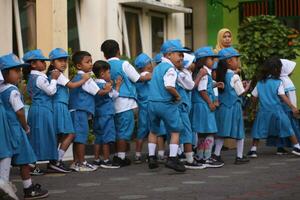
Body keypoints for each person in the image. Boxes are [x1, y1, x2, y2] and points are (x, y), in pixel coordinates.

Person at [0, 53, 48, 199]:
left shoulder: (1, 90)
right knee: (25, 159)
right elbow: (20, 112)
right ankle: (28, 188)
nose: (20, 74)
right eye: (16, 71)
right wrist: (26, 127)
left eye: (20, 70)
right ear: (4, 73)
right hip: (16, 129)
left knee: (7, 157)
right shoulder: (13, 91)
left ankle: (5, 182)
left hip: (6, 130)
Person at [100, 40, 151, 166]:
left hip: (111, 102)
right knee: (124, 131)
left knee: (118, 130)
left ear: (105, 55)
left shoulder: (104, 66)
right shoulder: (124, 64)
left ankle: (118, 155)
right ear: (118, 51)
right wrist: (151, 76)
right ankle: (121, 158)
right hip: (125, 102)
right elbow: (137, 78)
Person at [46, 48, 90, 173]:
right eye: (60, 60)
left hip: (57, 106)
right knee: (71, 133)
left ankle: (53, 161)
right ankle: (57, 160)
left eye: (65, 60)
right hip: (60, 106)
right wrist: (84, 79)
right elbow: (72, 85)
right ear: (52, 62)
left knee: (59, 135)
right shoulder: (57, 74)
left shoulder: (54, 73)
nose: (63, 63)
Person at [147, 39, 188, 172]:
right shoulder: (170, 69)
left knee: (153, 130)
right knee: (176, 131)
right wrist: (177, 96)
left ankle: (152, 157)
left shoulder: (157, 67)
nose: (181, 57)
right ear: (169, 54)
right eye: (179, 54)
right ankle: (172, 159)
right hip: (166, 104)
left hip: (152, 103)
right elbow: (169, 86)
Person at [248, 57, 300, 157]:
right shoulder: (278, 82)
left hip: (263, 111)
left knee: (258, 130)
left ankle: (253, 150)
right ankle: (297, 146)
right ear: (276, 69)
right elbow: (283, 96)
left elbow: (254, 98)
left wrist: (254, 108)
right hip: (277, 111)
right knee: (288, 128)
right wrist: (293, 107)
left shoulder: (260, 83)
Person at [69, 51, 111, 172]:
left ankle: (76, 162)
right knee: (81, 137)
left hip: (75, 109)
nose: (91, 64)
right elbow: (99, 92)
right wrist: (107, 89)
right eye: (87, 62)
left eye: (91, 61)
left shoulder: (77, 77)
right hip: (80, 110)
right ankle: (82, 162)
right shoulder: (86, 78)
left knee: (77, 137)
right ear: (78, 66)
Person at [23, 49, 60, 174]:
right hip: (42, 110)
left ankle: (32, 165)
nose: (45, 64)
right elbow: (51, 91)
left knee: (36, 136)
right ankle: (31, 166)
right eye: (42, 61)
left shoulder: (33, 77)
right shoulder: (39, 78)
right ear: (33, 64)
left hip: (38, 109)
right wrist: (54, 79)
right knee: (40, 136)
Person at [213, 47, 250, 164]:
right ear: (229, 61)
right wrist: (247, 87)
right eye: (236, 59)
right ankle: (239, 157)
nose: (238, 62)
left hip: (223, 107)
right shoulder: (235, 76)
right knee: (239, 133)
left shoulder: (220, 75)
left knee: (221, 133)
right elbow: (241, 92)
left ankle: (216, 154)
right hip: (234, 107)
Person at [191, 47, 224, 168]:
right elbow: (202, 90)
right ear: (204, 60)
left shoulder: (202, 72)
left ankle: (200, 156)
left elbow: (204, 86)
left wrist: (215, 84)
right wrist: (210, 102)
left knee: (202, 133)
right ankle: (208, 157)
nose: (213, 61)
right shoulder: (204, 73)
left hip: (199, 105)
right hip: (204, 105)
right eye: (211, 59)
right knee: (210, 131)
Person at [264, 59, 300, 155]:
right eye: (291, 69)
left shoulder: (274, 79)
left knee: (281, 128)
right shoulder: (286, 81)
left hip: (278, 109)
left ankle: (280, 148)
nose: (292, 71)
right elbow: (291, 96)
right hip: (288, 109)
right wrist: (294, 108)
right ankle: (296, 146)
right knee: (291, 128)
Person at [92, 60, 122, 169]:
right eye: (109, 72)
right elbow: (115, 95)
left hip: (97, 114)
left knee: (98, 137)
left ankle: (96, 159)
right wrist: (118, 85)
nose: (110, 74)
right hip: (107, 114)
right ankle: (106, 160)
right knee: (107, 137)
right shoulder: (106, 86)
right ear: (102, 74)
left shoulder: (94, 84)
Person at [134, 53, 153, 164]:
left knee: (141, 132)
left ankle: (137, 154)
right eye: (149, 62)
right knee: (153, 131)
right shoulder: (149, 75)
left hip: (142, 108)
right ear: (148, 65)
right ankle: (152, 155)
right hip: (151, 107)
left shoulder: (137, 78)